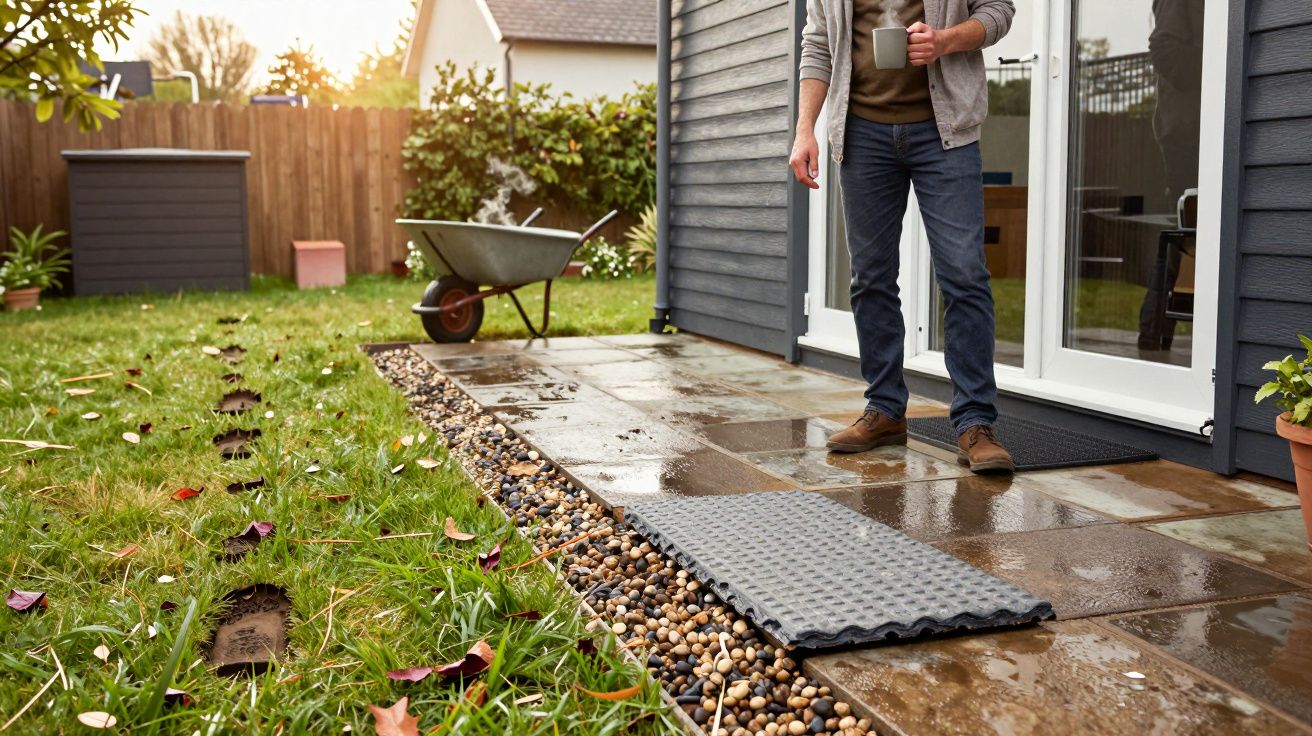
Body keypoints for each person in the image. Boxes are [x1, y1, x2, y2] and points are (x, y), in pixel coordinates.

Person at [789, 0, 1017, 473]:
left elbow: (998, 12)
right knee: (870, 277)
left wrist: (945, 40)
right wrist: (804, 129)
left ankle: (975, 422)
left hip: (946, 131)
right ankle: (886, 410)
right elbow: (817, 45)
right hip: (862, 133)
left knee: (964, 274)